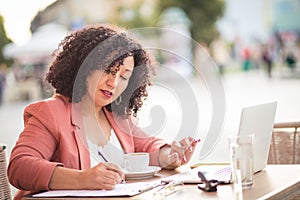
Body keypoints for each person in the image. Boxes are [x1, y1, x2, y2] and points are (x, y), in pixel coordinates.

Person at [8, 24, 199, 200]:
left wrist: (170, 155)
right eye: (108, 70)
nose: (114, 83)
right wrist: (83, 179)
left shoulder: (116, 117)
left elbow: (147, 147)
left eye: (124, 77)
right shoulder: (51, 112)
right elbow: (19, 167)